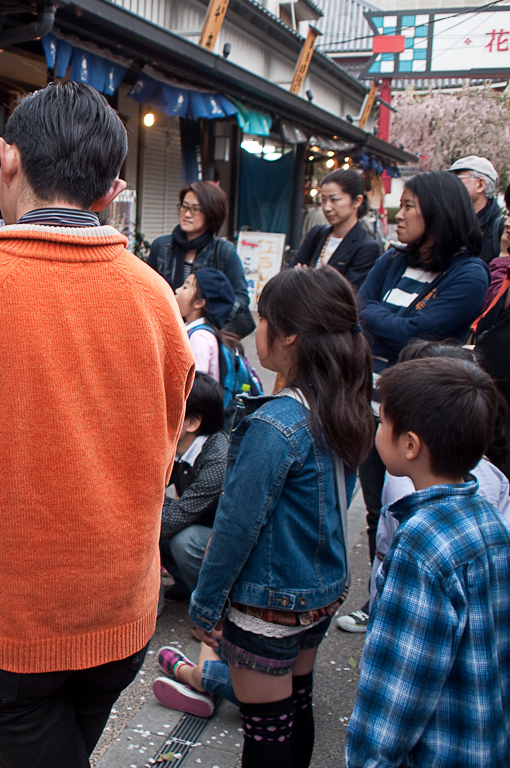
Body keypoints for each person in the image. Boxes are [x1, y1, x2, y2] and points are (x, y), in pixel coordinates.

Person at [0, 81, 195, 768]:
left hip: (3, 616)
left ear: (7, 159)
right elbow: (163, 444)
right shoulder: (154, 299)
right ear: (114, 189)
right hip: (121, 610)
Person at [189, 267, 375, 768]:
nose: (257, 330)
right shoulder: (342, 403)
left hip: (267, 602)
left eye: (265, 319)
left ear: (290, 333)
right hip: (319, 590)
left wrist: (205, 606)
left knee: (266, 732)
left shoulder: (275, 423)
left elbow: (235, 525)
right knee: (296, 705)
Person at [336, 169, 489, 633]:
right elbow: (357, 310)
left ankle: (418, 611)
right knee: (380, 514)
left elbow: (413, 333)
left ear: (437, 214)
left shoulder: (468, 273)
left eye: (408, 208)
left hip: (424, 417)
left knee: (420, 512)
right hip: (371, 408)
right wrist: (386, 319)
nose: (397, 216)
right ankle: (379, 602)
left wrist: (382, 318)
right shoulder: (392, 260)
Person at [346, 357, 510, 767]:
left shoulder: (420, 543)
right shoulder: (488, 517)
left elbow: (399, 688)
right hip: (483, 739)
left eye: (383, 422)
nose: (377, 429)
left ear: (410, 444)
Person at [146, 181, 255, 343]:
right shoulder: (161, 246)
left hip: (203, 338)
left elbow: (240, 297)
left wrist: (208, 323)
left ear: (211, 214)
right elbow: (147, 290)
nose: (187, 214)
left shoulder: (223, 251)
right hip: (165, 335)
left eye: (196, 209)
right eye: (184, 206)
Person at [158, 372, 228, 604]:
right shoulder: (180, 446)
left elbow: (177, 516)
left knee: (182, 540)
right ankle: (185, 585)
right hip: (200, 524)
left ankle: (212, 604)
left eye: (169, 407)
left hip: (221, 539)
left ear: (192, 423)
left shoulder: (217, 459)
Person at [288, 169, 381, 289]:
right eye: (323, 200)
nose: (327, 207)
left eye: (334, 199)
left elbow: (348, 294)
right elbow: (290, 275)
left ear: (357, 201)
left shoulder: (367, 247)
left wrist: (305, 280)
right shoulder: (317, 234)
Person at [175, 268, 235, 381]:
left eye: (185, 287)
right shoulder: (192, 330)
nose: (177, 290)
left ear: (199, 303)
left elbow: (196, 385)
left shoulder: (199, 337)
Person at [447, 154, 504, 263]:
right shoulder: (446, 221)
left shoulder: (500, 229)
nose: (451, 184)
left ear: (480, 185)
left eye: (458, 178)